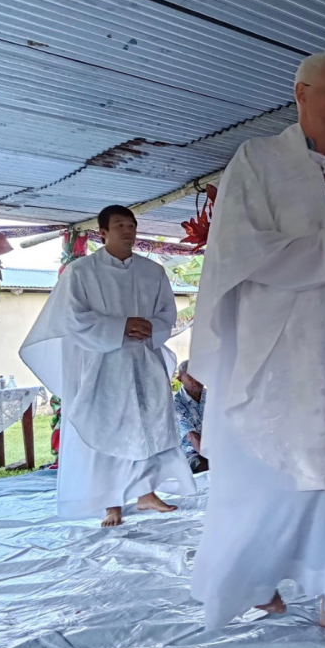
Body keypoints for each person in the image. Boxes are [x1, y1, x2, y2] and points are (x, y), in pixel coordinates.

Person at [189, 50, 325, 640]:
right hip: (285, 356)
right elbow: (236, 252)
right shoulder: (257, 160)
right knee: (270, 474)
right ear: (301, 94)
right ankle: (253, 581)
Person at [20, 205, 196, 527]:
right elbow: (70, 317)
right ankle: (110, 502)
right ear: (102, 232)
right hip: (103, 364)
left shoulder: (152, 272)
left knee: (150, 427)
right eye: (119, 225)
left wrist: (150, 327)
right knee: (107, 428)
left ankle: (146, 492)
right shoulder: (81, 272)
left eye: (132, 224)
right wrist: (120, 326)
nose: (128, 230)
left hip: (144, 361)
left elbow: (166, 314)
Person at [174, 360, 207, 472]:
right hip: (191, 452)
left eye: (199, 375)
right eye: (191, 377)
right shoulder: (176, 403)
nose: (196, 380)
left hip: (214, 446)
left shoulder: (211, 396)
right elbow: (192, 437)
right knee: (202, 465)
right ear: (180, 379)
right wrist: (216, 458)